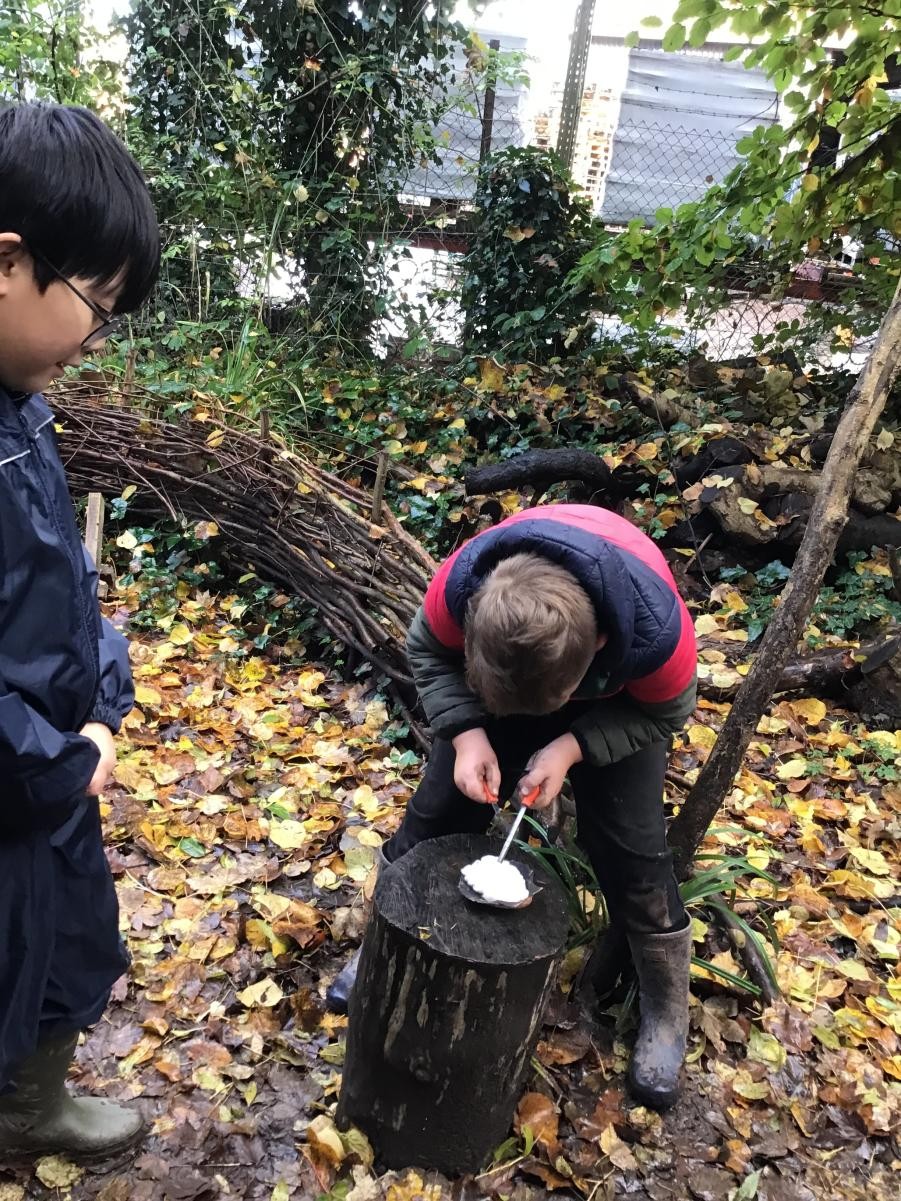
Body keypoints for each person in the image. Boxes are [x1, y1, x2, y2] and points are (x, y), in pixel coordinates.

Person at [328, 504, 697, 1109]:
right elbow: (426, 649)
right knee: (438, 810)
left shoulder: (657, 636)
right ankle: (383, 943)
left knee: (632, 849)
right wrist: (468, 733)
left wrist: (572, 746)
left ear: (601, 646)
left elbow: (666, 711)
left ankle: (666, 1006)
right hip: (507, 684)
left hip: (618, 707)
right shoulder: (463, 588)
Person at [0, 101, 160, 1157]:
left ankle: (28, 1107)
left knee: (57, 942)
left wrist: (103, 687)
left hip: (48, 774)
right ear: (9, 262)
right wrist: (60, 762)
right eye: (96, 306)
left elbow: (59, 573)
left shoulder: (19, 401)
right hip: (21, 775)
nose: (96, 340)